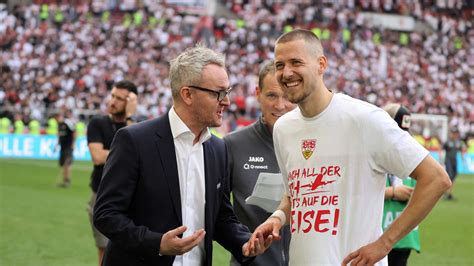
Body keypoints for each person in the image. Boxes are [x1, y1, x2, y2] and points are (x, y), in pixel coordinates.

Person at [245, 29, 451, 266]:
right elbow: (295, 196)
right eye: (279, 64)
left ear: (321, 64)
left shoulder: (365, 119)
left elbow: (436, 178)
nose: (286, 72)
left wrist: (384, 243)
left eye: (296, 62)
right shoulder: (283, 129)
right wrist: (277, 218)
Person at [93, 45, 269, 266]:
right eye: (218, 93)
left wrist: (245, 243)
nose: (226, 101)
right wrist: (157, 244)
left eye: (227, 92)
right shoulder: (135, 140)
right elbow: (106, 214)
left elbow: (221, 217)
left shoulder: (218, 149)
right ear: (187, 94)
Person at [224, 61, 296, 266]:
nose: (280, 105)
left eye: (287, 96)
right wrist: (243, 244)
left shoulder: (315, 145)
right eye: (272, 95)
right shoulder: (232, 145)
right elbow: (217, 213)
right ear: (258, 93)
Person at [86, 80, 138, 266]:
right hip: (101, 197)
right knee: (105, 250)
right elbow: (98, 157)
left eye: (120, 99)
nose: (113, 101)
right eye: (113, 96)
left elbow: (137, 154)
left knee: (133, 251)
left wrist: (131, 117)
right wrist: (127, 153)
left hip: (132, 200)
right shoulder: (97, 123)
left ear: (131, 102)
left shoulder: (138, 126)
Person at [381, 103, 420, 266]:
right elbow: (353, 192)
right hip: (377, 235)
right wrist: (392, 192)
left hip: (403, 236)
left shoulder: (409, 157)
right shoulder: (369, 154)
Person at [442, 127, 466, 200]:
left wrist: (462, 156)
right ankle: (444, 193)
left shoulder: (458, 142)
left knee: (454, 177)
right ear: (451, 134)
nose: (455, 135)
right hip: (448, 161)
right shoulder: (447, 142)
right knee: (449, 176)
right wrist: (441, 158)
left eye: (456, 133)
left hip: (454, 161)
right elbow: (442, 149)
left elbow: (462, 149)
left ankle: (449, 194)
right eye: (454, 133)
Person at [56, 110, 76, 188]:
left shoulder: (67, 123)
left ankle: (67, 181)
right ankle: (64, 180)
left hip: (68, 147)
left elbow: (74, 133)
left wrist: (73, 144)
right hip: (62, 147)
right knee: (62, 164)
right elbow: (59, 135)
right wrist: (57, 144)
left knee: (67, 163)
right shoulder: (59, 125)